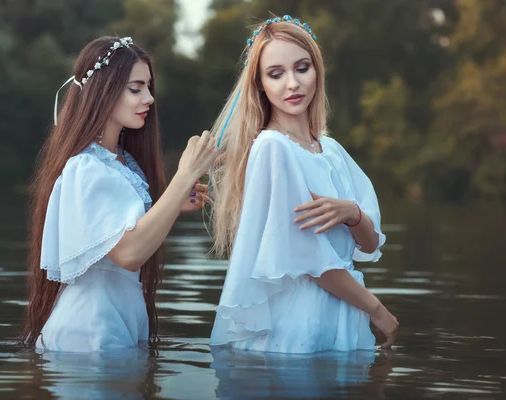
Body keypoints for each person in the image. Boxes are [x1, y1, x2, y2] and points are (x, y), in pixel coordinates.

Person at [208, 16, 398, 353]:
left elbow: (368, 246)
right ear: (260, 85)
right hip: (299, 318)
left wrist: (351, 213)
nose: (292, 84)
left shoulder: (332, 151)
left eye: (302, 68)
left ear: (317, 71)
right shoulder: (272, 147)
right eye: (276, 74)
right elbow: (308, 261)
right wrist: (376, 309)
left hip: (342, 310)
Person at [21, 36, 218, 352]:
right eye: (136, 88)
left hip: (117, 320)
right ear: (103, 91)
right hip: (91, 330)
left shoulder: (121, 163)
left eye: (148, 87)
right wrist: (185, 176)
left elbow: (128, 234)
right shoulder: (86, 166)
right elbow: (127, 254)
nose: (150, 98)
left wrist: (169, 204)